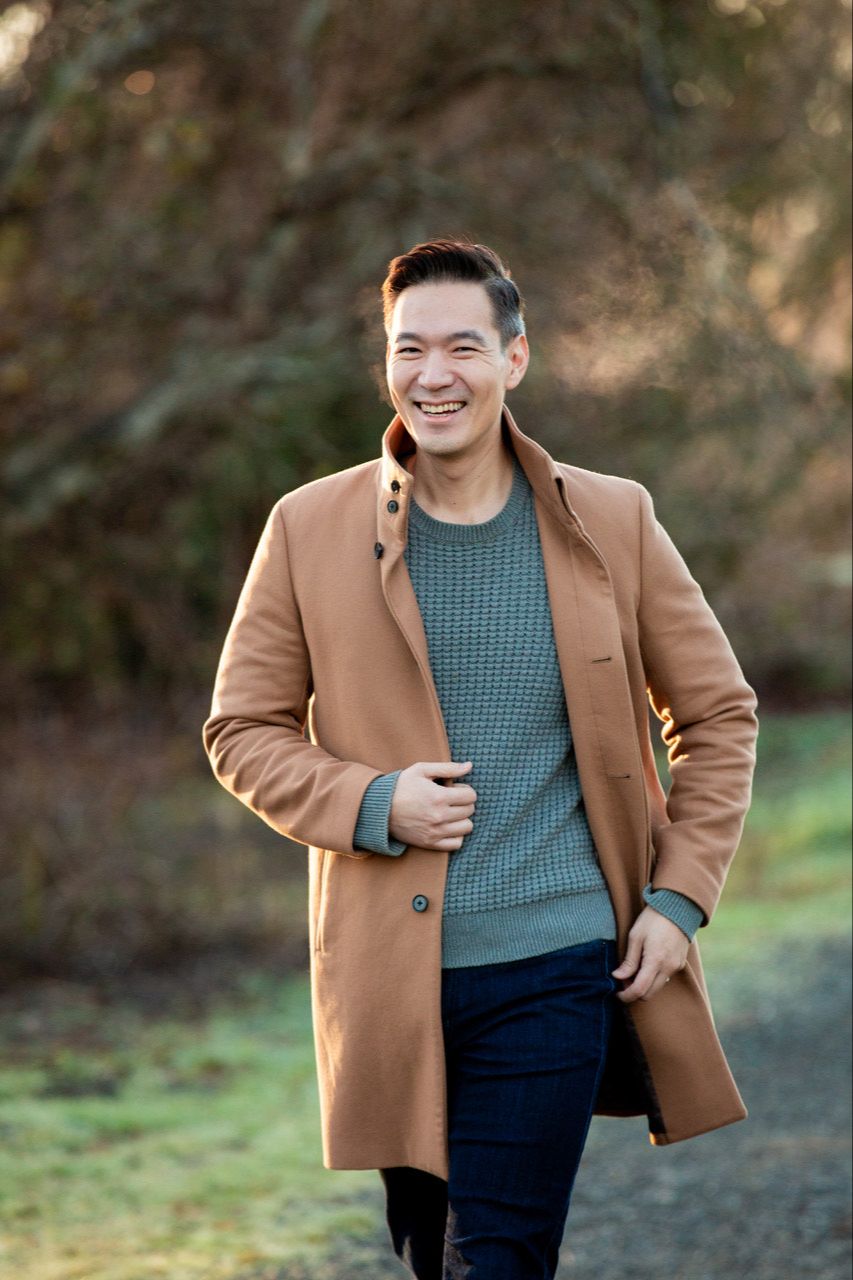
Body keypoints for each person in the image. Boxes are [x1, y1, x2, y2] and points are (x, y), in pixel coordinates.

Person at [202, 238, 759, 1279]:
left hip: (556, 962)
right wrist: (372, 800)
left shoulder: (614, 518)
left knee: (495, 1259)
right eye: (408, 349)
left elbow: (718, 714)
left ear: (514, 358)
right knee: (436, 1256)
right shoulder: (307, 527)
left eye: (462, 346)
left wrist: (679, 897)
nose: (433, 375)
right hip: (389, 984)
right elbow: (241, 729)